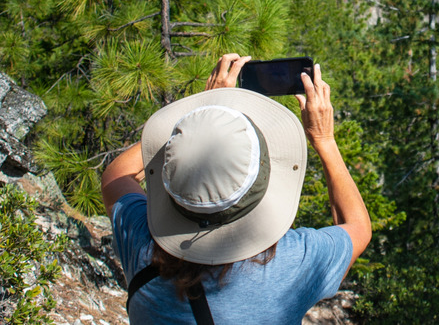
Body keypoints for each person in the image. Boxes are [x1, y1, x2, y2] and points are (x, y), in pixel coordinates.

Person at [101, 54, 372, 324]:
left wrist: (198, 121)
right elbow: (358, 227)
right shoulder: (292, 264)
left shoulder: (141, 247)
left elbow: (116, 176)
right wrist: (325, 140)